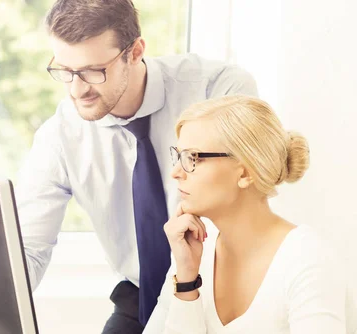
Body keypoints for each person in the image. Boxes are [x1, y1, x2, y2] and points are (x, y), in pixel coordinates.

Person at [15, 0, 257, 332]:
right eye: (65, 70)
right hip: (140, 296)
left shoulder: (217, 91)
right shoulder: (61, 136)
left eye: (92, 71)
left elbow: (240, 215)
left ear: (135, 51)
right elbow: (27, 249)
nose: (77, 89)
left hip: (224, 293)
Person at [158, 95, 357, 333]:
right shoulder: (194, 249)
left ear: (244, 174)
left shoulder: (308, 261)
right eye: (178, 156)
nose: (175, 172)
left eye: (193, 158)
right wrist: (187, 280)